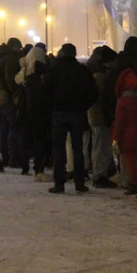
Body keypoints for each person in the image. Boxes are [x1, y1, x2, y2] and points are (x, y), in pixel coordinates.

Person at [45, 44, 98, 194]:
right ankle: (79, 182)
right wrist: (83, 106)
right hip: (77, 113)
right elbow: (93, 92)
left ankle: (59, 183)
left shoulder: (54, 70)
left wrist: (52, 106)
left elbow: (45, 90)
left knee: (59, 150)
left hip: (59, 113)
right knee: (78, 149)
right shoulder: (82, 70)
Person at [113, 62, 137, 196]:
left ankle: (133, 183)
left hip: (127, 136)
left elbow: (119, 121)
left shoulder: (123, 102)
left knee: (129, 161)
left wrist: (115, 138)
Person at [86, 46, 119, 188]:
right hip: (99, 115)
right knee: (101, 145)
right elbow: (103, 98)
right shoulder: (99, 76)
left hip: (95, 115)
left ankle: (102, 172)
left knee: (99, 144)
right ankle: (100, 175)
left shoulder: (93, 72)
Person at [18, 43, 50, 179]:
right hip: (40, 112)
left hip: (25, 111)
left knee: (26, 139)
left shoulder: (23, 73)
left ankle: (25, 166)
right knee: (40, 141)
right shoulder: (43, 75)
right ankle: (38, 168)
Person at [0, 38, 25, 170]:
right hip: (9, 97)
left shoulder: (0, 57)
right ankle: (13, 158)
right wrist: (15, 94)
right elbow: (10, 79)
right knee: (14, 127)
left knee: (4, 128)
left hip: (1, 96)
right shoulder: (11, 59)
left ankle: (5, 156)